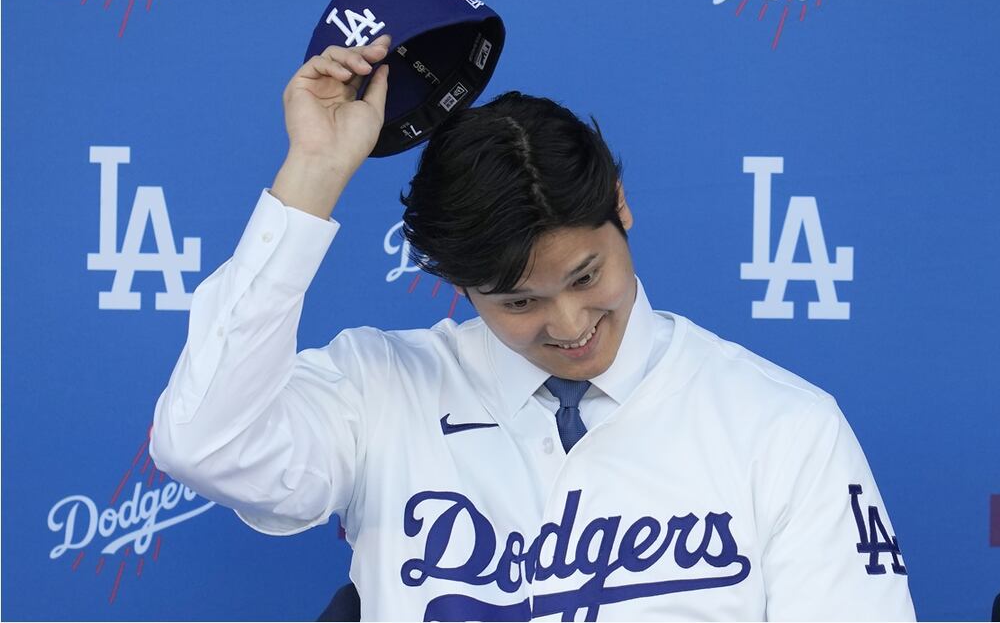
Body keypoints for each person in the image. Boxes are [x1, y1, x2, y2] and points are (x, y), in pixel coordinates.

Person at [150, 35, 916, 621]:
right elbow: (203, 441)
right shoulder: (378, 389)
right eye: (519, 302)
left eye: (586, 277)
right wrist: (313, 172)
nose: (570, 324)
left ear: (620, 207)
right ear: (457, 286)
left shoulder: (782, 426)